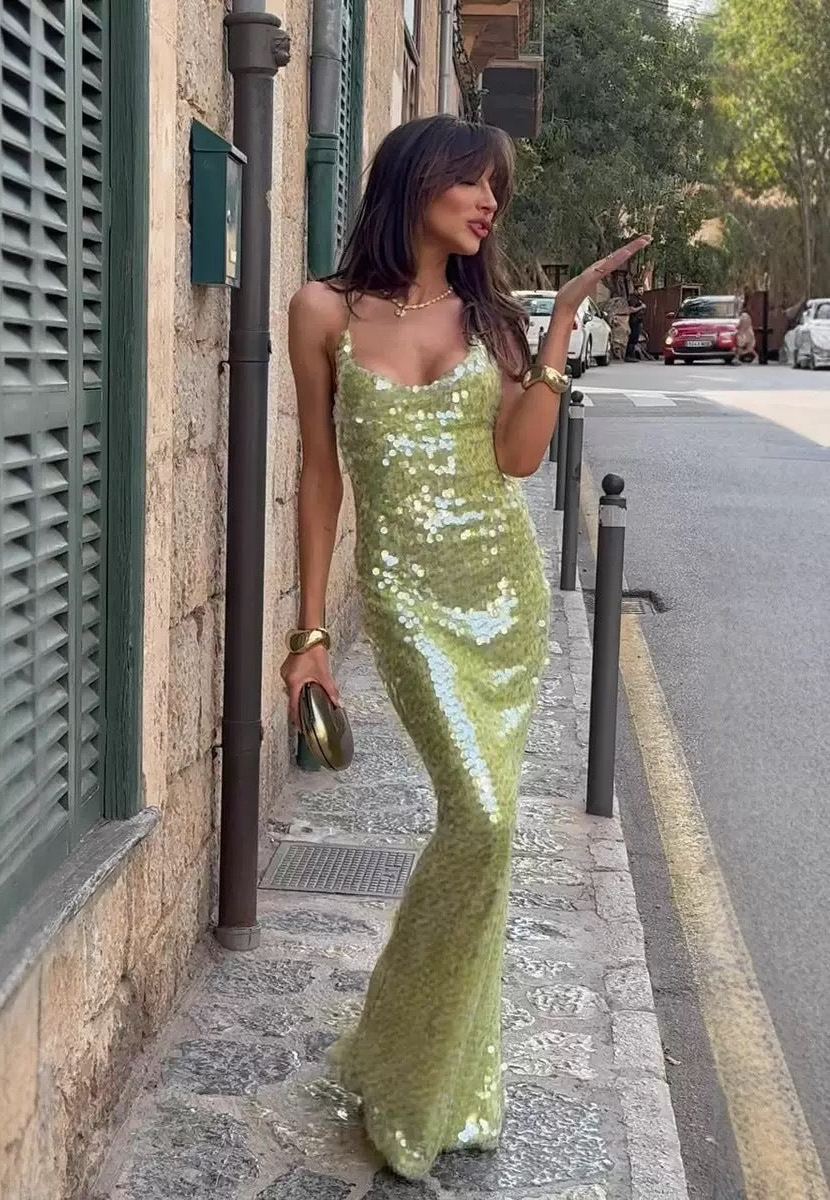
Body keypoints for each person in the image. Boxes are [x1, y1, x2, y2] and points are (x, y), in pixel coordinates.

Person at [280, 114, 649, 1181]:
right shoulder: (322, 311)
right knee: (480, 821)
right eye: (472, 182)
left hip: (505, 598)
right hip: (409, 600)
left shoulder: (492, 320)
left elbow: (519, 461)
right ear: (416, 181)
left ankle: (430, 1071)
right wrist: (310, 633)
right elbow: (319, 475)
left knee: (482, 835)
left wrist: (561, 326)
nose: (490, 202)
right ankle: (404, 1059)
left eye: (497, 189)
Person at [626, 286, 646, 360]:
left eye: (642, 290)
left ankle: (632, 355)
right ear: (635, 290)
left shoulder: (639, 298)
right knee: (633, 337)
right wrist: (641, 307)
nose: (641, 291)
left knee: (635, 338)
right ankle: (628, 356)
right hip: (633, 320)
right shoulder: (633, 298)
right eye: (640, 289)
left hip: (638, 321)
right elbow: (631, 310)